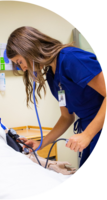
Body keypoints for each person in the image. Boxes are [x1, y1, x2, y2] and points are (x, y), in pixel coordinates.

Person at [6, 26, 106, 167]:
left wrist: (87, 135)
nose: (23, 68)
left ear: (27, 49)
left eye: (19, 62)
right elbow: (66, 117)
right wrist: (41, 143)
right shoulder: (52, 77)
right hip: (92, 130)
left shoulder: (71, 58)